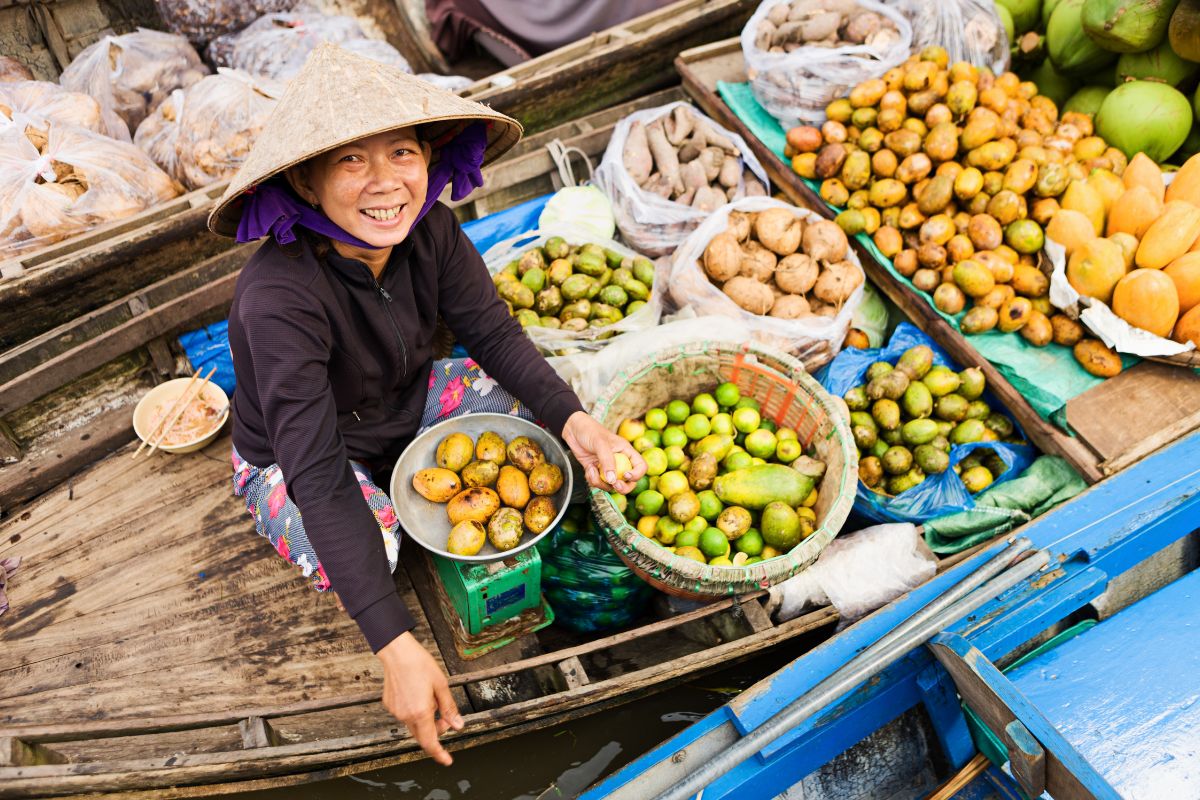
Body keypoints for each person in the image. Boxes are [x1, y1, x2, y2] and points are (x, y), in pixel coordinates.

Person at [206, 43, 646, 766]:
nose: (386, 183)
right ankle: (386, 581)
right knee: (373, 547)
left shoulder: (431, 231)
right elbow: (313, 472)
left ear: (429, 161)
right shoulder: (278, 298)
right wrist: (394, 644)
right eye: (351, 160)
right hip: (300, 458)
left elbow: (496, 336)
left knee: (544, 420)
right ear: (308, 184)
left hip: (411, 407)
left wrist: (577, 421)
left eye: (402, 153)